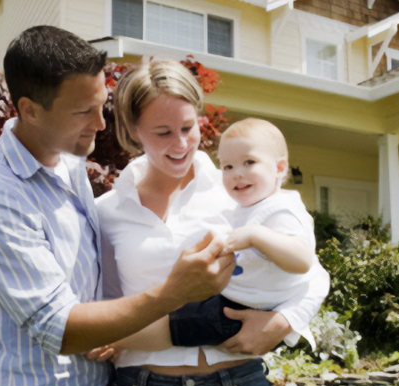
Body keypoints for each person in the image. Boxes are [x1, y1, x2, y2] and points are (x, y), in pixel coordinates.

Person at [0, 26, 234, 386]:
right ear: (28, 110)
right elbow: (57, 328)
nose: (102, 124)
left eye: (101, 105)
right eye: (84, 111)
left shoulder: (70, 165)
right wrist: (174, 292)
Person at [96, 59, 329, 386]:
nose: (181, 144)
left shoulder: (236, 188)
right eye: (162, 133)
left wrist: (282, 322)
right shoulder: (106, 214)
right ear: (132, 132)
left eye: (188, 127)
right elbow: (105, 303)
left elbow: (313, 272)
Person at [113, 117, 319, 351]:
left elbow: (303, 262)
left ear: (279, 168)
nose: (236, 174)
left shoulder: (280, 209)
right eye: (228, 166)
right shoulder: (245, 207)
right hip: (240, 301)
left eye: (249, 162)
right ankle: (116, 338)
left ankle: (114, 341)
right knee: (181, 317)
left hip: (249, 310)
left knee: (176, 325)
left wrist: (254, 236)